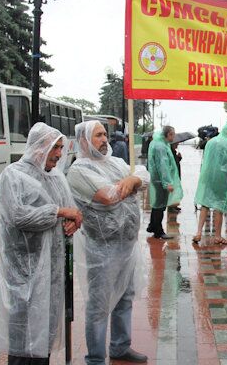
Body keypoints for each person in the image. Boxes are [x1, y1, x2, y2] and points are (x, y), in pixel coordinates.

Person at [0, 123, 83, 365]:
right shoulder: (13, 176)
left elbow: (72, 210)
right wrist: (58, 212)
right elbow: (18, 216)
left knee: (44, 338)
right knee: (24, 342)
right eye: (55, 147)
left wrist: (75, 220)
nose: (59, 154)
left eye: (62, 148)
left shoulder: (55, 178)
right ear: (39, 146)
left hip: (52, 275)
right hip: (24, 275)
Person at [67, 121, 150, 365]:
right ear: (83, 141)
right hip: (102, 249)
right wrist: (131, 183)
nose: (105, 139)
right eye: (98, 135)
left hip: (127, 245)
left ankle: (120, 346)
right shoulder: (79, 170)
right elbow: (107, 197)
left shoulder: (115, 162)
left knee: (125, 297)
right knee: (99, 305)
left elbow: (144, 175)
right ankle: (95, 358)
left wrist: (133, 180)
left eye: (105, 134)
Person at [194, 123, 227, 244]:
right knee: (219, 206)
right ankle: (217, 236)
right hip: (222, 178)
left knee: (205, 204)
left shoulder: (211, 141)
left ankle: (198, 233)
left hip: (207, 175)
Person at [146, 126, 182, 239]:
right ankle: (158, 231)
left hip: (157, 179)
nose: (174, 136)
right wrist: (167, 183)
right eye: (172, 134)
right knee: (160, 206)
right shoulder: (161, 147)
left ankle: (152, 226)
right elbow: (163, 165)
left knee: (156, 204)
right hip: (160, 180)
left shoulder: (159, 143)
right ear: (167, 134)